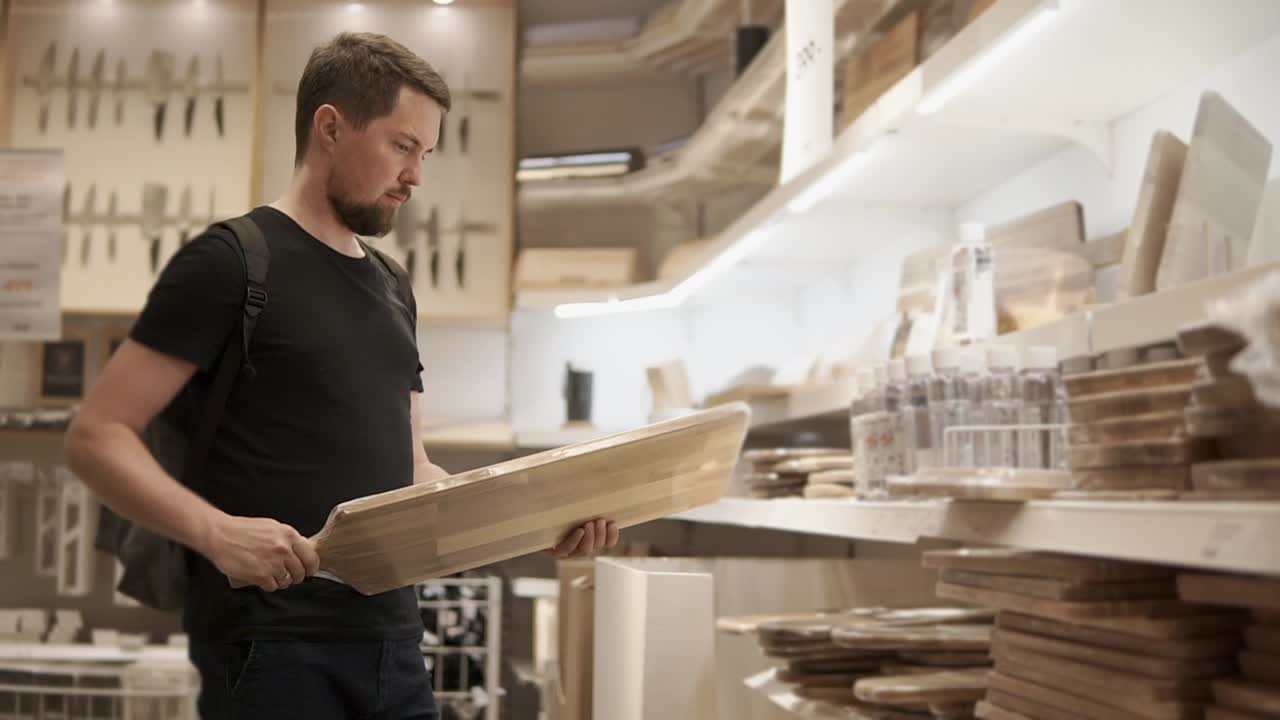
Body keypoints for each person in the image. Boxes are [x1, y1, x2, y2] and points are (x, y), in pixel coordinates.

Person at [65, 32, 618, 720]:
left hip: (394, 645)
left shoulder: (392, 286)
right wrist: (218, 533)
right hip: (272, 651)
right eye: (403, 146)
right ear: (330, 127)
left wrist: (539, 522)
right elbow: (96, 436)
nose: (416, 176)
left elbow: (411, 469)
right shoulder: (231, 262)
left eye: (425, 154)